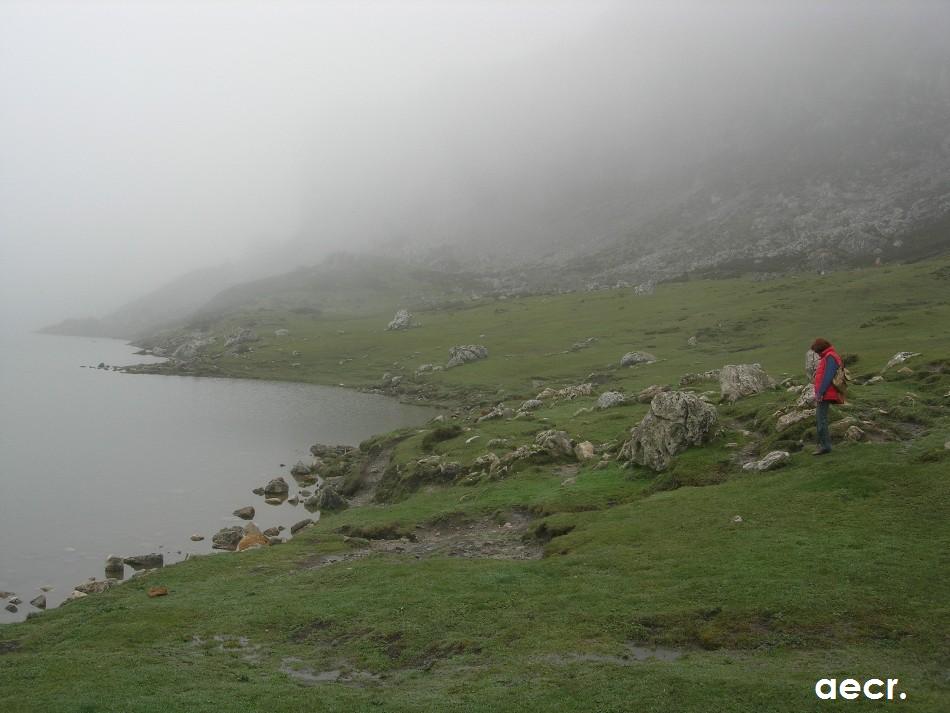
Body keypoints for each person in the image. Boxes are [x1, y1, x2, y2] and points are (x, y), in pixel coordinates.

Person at [810, 338, 844, 455]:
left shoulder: (830, 357)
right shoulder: (827, 356)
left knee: (821, 421)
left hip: (825, 393)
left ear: (821, 349)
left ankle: (825, 447)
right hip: (824, 393)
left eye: (817, 351)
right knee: (821, 420)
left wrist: (820, 393)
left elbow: (828, 376)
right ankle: (824, 445)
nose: (817, 354)